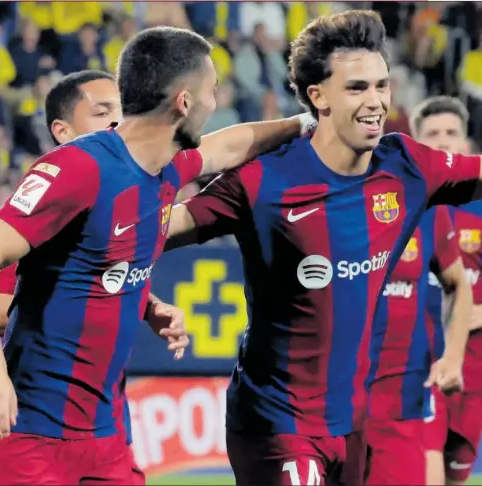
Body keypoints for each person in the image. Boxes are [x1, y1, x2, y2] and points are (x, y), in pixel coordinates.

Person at [0, 27, 312, 485]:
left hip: (107, 440)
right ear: (184, 101)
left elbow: (229, 145)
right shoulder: (80, 167)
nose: (215, 103)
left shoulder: (166, 168)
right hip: (29, 434)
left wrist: (306, 124)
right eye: (212, 92)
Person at [163, 11, 481, 485]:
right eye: (356, 88)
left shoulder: (408, 166)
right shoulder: (265, 178)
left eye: (381, 85)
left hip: (352, 424)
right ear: (317, 96)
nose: (375, 102)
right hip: (275, 422)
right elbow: (156, 226)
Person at [0, 69, 183, 486]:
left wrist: (148, 305)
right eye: (103, 113)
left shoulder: (133, 192)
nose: (119, 122)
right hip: (40, 420)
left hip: (108, 425)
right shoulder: (42, 206)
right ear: (62, 131)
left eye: (123, 110)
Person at [365, 197, 469, 484]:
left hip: (402, 398)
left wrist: (453, 357)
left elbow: (458, 284)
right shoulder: (328, 200)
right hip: (329, 403)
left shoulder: (426, 207)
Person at [415, 96, 482, 486]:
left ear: (468, 147)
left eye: (451, 133)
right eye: (432, 134)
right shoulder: (399, 206)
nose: (442, 142)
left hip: (472, 372)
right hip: (417, 370)